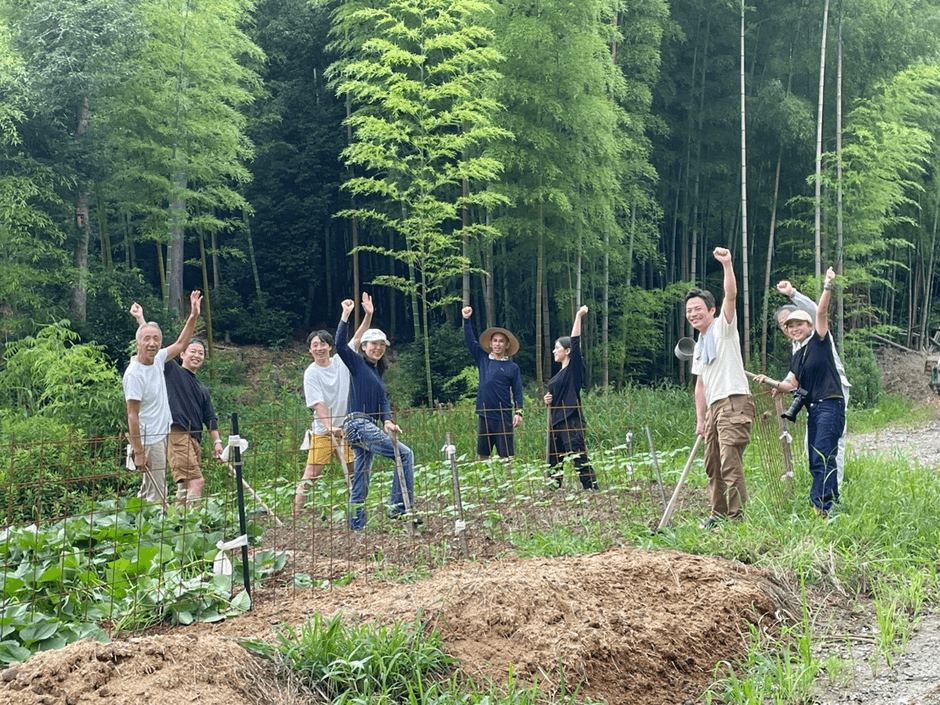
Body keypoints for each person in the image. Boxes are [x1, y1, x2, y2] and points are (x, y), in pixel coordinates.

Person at [757, 268, 844, 516]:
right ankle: (830, 503)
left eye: (799, 324)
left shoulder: (820, 340)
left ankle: (822, 507)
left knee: (824, 454)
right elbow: (790, 384)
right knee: (816, 456)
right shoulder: (797, 356)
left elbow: (821, 311)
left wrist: (827, 285)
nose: (794, 328)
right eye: (789, 326)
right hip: (814, 409)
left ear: (809, 325)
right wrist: (771, 383)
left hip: (830, 404)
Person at [685, 247, 756, 530]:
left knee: (729, 461)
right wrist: (700, 419)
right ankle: (717, 515)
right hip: (714, 408)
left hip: (734, 401)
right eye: (689, 311)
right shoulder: (700, 345)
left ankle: (737, 519)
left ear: (712, 310)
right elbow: (700, 384)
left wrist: (727, 264)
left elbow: (731, 295)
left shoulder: (723, 329)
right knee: (712, 463)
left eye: (698, 309)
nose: (693, 314)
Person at [335, 297, 417, 531]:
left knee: (361, 479)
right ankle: (399, 509)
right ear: (364, 347)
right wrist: (346, 315)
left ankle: (356, 527)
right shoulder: (357, 364)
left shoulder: (376, 373)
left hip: (363, 425)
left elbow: (383, 401)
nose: (378, 348)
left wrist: (388, 421)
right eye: (374, 344)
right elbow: (340, 345)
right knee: (405, 455)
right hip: (358, 424)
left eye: (382, 345)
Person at [130, 302, 222, 507]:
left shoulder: (202, 389)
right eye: (193, 351)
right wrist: (140, 319)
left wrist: (217, 442)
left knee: (184, 488)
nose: (197, 355)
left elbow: (210, 418)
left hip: (195, 439)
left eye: (201, 353)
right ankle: (192, 521)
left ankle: (179, 522)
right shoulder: (171, 370)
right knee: (197, 483)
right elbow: (153, 344)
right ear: (182, 355)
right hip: (177, 433)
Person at [293, 293, 374, 516]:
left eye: (323, 344)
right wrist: (329, 427)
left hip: (346, 428)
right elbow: (318, 404)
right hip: (323, 431)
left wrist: (367, 315)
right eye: (314, 346)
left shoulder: (341, 362)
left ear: (330, 347)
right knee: (311, 473)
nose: (319, 348)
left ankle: (358, 509)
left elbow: (357, 338)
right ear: (310, 350)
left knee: (354, 470)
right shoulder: (311, 373)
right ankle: (295, 515)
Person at [123, 290, 203, 509]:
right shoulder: (134, 374)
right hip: (150, 439)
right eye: (147, 339)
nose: (152, 343)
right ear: (137, 343)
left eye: (156, 339)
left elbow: (181, 343)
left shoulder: (158, 359)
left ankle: (138, 520)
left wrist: (193, 315)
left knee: (151, 489)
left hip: (164, 431)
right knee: (157, 493)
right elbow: (132, 416)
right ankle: (155, 527)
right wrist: (139, 452)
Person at [775, 278, 851, 487]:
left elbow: (818, 311)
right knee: (813, 444)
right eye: (785, 324)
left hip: (832, 390)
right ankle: (822, 488)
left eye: (795, 322)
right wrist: (777, 385)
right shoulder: (796, 346)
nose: (790, 327)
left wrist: (792, 293)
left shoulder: (818, 336)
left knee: (832, 441)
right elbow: (793, 376)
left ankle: (834, 490)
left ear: (806, 322)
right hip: (814, 397)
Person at [543, 304, 598, 490]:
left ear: (567, 351)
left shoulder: (574, 370)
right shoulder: (557, 376)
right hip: (555, 421)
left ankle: (591, 489)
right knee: (553, 460)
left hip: (571, 419)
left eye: (557, 348)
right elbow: (555, 396)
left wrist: (578, 316)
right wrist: (547, 400)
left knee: (578, 457)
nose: (554, 351)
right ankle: (552, 490)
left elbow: (575, 342)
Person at [461, 306, 524, 467]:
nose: (497, 344)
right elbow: (470, 341)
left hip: (504, 416)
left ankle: (509, 481)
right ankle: (485, 480)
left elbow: (517, 392)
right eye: (495, 341)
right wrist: (466, 320)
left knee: (507, 456)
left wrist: (519, 412)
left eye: (501, 341)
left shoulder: (512, 367)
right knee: (483, 454)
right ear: (490, 344)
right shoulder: (483, 359)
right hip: (484, 414)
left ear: (507, 345)